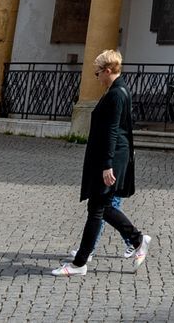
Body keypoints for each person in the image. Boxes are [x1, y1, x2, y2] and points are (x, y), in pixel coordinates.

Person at [49, 49, 150, 276]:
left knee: (97, 208)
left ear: (107, 70)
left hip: (112, 159)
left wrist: (107, 165)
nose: (96, 77)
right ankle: (136, 240)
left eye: (97, 73)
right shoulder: (116, 89)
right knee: (99, 207)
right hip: (111, 157)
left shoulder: (116, 93)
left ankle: (80, 263)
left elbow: (113, 131)